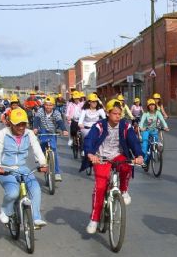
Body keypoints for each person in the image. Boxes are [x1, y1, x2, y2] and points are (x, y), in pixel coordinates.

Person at [81, 100, 144, 234]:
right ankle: (94, 219)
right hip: (101, 158)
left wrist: (139, 155)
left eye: (119, 114)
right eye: (114, 113)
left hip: (117, 156)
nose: (117, 116)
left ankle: (123, 190)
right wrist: (90, 154)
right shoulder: (99, 125)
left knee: (126, 166)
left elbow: (133, 141)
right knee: (100, 188)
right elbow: (89, 139)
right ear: (108, 113)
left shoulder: (125, 126)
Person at [0, 108, 48, 228]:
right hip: (5, 169)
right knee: (13, 192)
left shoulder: (29, 134)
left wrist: (43, 163)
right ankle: (5, 210)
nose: (21, 127)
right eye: (18, 124)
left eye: (23, 124)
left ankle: (36, 218)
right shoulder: (2, 134)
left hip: (23, 168)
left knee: (35, 189)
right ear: (11, 123)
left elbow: (37, 149)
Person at [33, 96, 68, 181]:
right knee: (42, 146)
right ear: (44, 105)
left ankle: (56, 173)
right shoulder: (41, 111)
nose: (48, 107)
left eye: (50, 105)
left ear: (53, 106)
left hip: (52, 132)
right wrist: (35, 128)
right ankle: (40, 158)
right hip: (43, 131)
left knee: (54, 151)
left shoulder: (56, 112)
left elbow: (60, 121)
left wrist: (64, 130)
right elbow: (37, 119)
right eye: (46, 105)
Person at [138, 98, 169, 168]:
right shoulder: (146, 114)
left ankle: (155, 151)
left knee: (156, 142)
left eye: (153, 105)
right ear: (148, 106)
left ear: (155, 106)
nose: (152, 106)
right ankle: (144, 160)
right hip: (146, 130)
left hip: (154, 130)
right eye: (150, 105)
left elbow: (162, 119)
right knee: (145, 145)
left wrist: (166, 127)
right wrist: (141, 128)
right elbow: (142, 122)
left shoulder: (157, 112)